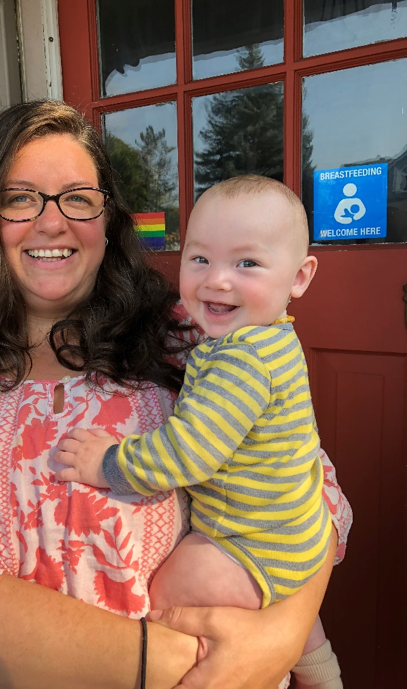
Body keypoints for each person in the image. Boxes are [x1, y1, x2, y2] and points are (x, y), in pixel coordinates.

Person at [0, 101, 352, 689]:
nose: (51, 222)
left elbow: (312, 487)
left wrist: (282, 633)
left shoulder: (188, 336)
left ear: (108, 222)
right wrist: (152, 663)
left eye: (78, 197)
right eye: (19, 196)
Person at [55, 175, 345, 689]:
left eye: (247, 263)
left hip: (249, 544)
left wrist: (107, 464)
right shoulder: (267, 337)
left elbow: (190, 453)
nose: (217, 280)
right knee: (297, 620)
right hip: (293, 532)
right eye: (200, 259)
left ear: (300, 277)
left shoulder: (243, 360)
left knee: (164, 591)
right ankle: (323, 673)